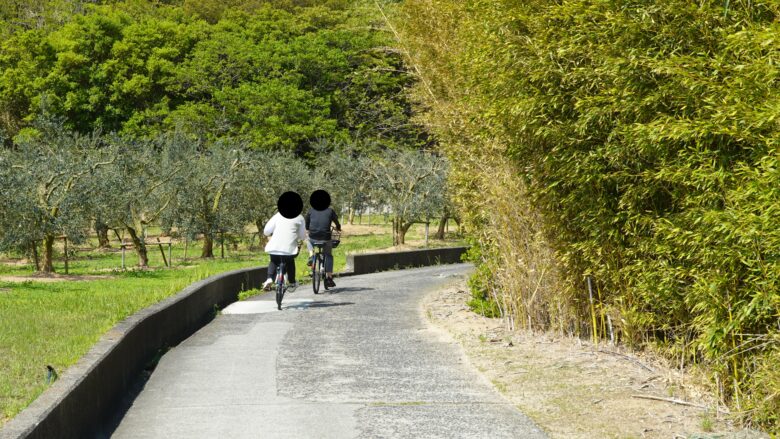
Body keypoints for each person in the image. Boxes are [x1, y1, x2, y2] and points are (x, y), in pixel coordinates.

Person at [262, 192, 305, 290]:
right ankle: (292, 282)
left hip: (275, 247)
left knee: (273, 261)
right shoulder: (300, 217)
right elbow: (302, 236)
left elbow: (266, 231)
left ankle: (269, 278)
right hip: (289, 249)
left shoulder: (278, 215)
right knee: (290, 261)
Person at [305, 189, 341, 288]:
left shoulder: (310, 211)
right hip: (326, 237)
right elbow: (337, 222)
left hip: (313, 236)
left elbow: (307, 224)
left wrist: (308, 230)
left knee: (307, 239)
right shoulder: (330, 211)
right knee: (328, 255)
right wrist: (338, 228)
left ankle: (311, 255)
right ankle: (329, 278)